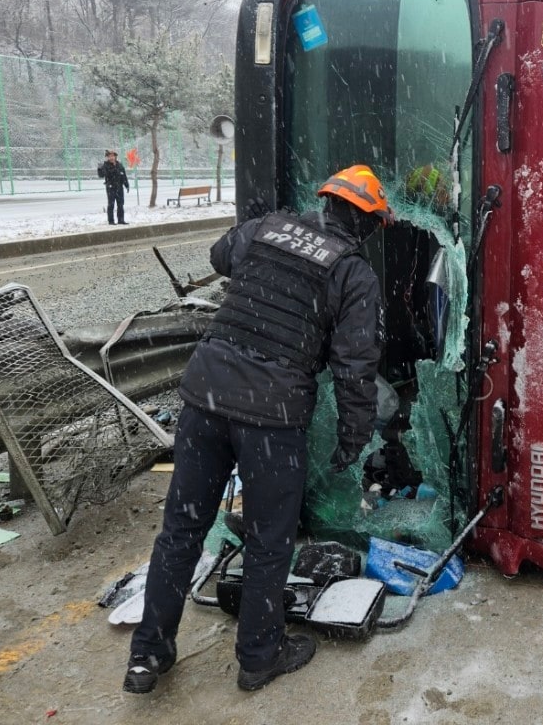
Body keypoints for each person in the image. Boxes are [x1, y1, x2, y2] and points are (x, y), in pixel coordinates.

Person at [123, 164, 392, 694]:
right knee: (271, 539)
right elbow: (355, 367)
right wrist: (353, 438)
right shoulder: (353, 273)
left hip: (206, 394)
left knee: (181, 530)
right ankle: (258, 658)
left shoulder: (269, 227)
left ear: (327, 202)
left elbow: (220, 256)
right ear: (366, 224)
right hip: (272, 414)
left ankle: (148, 655)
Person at [97, 150, 130, 225]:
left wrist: (126, 185)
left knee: (120, 204)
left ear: (115, 156)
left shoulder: (119, 165)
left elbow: (123, 176)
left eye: (112, 156)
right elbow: (101, 175)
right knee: (111, 204)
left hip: (119, 187)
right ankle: (111, 221)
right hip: (110, 187)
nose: (111, 158)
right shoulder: (106, 165)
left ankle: (121, 220)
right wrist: (99, 169)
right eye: (109, 156)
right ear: (107, 157)